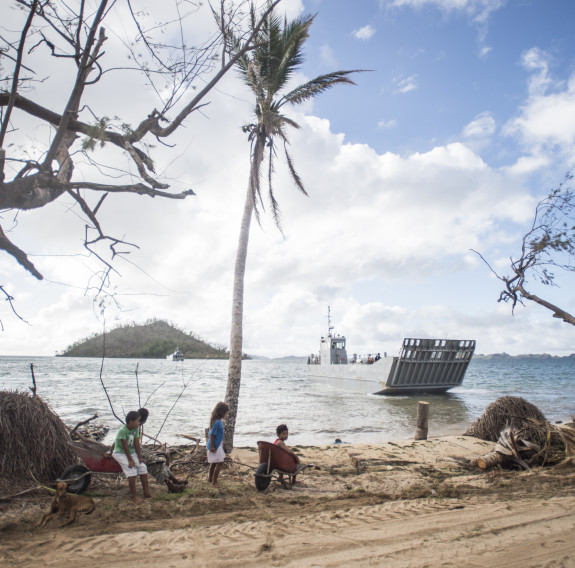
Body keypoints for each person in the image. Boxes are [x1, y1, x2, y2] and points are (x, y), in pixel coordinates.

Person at [137, 408, 187, 493]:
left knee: (159, 462)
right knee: (156, 463)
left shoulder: (136, 428)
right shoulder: (134, 429)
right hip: (138, 453)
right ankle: (170, 485)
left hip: (140, 451)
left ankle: (174, 481)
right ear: (145, 419)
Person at [112, 410, 153, 504]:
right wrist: (130, 460)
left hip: (131, 452)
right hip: (120, 452)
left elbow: (136, 443)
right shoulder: (122, 430)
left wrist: (139, 457)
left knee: (142, 467)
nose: (139, 423)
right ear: (131, 422)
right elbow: (125, 446)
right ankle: (134, 496)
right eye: (138, 421)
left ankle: (146, 493)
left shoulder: (136, 429)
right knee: (132, 471)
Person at [207, 401, 229, 488]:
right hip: (215, 446)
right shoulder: (217, 422)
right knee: (219, 463)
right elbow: (212, 435)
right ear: (222, 412)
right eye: (225, 413)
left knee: (214, 463)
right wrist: (212, 446)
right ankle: (214, 482)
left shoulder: (216, 421)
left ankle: (210, 478)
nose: (226, 415)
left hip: (217, 445)